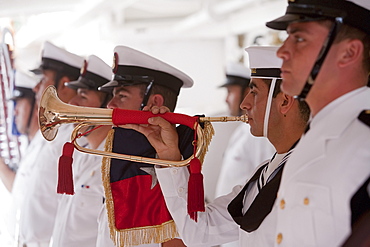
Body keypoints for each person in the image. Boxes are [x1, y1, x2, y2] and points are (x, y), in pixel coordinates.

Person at [124, 46, 310, 246]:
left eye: (254, 93)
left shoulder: (308, 169)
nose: (244, 104)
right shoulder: (267, 171)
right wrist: (169, 156)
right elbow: (200, 232)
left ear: (284, 101)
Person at [265, 0, 370, 245]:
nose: (281, 52)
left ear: (349, 53)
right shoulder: (316, 132)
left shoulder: (364, 139)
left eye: (299, 39)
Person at [96, 45, 193, 247]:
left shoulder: (175, 169)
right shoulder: (120, 160)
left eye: (121, 96)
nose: (110, 105)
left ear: (154, 101)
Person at [10, 41, 84, 247]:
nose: (36, 86)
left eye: (43, 79)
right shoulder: (50, 133)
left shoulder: (74, 138)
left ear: (63, 84)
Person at [51, 55, 112, 247]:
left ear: (107, 108)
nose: (73, 101)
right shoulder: (83, 152)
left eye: (83, 96)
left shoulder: (112, 162)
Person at [216, 62, 274, 197]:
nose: (226, 99)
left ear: (248, 92)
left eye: (230, 91)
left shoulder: (259, 135)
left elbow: (267, 184)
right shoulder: (244, 129)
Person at [0, 71, 39, 192]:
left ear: (36, 106)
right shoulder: (33, 146)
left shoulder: (45, 148)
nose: (14, 112)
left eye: (19, 104)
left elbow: (22, 193)